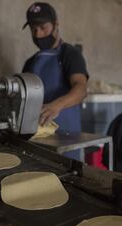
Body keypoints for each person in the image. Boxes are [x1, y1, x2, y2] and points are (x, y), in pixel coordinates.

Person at [22, 2, 89, 160]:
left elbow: (81, 89)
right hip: (37, 137)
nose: (38, 34)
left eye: (43, 27)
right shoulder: (30, 62)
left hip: (67, 137)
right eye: (34, 29)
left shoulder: (69, 54)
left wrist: (56, 106)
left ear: (56, 25)